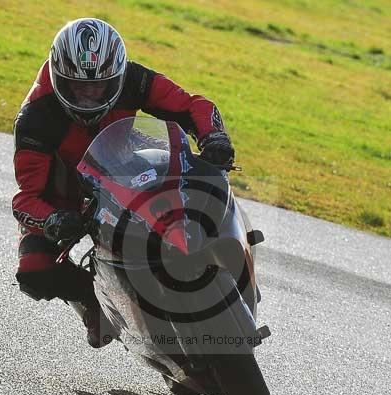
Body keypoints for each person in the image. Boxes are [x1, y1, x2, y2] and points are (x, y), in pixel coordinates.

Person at [12, 18, 235, 348]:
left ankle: (221, 257)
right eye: (78, 86)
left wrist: (213, 136)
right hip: (63, 197)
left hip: (123, 162)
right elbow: (26, 197)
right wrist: (53, 218)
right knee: (34, 272)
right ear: (60, 78)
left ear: (116, 76)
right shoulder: (36, 118)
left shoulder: (135, 79)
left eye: (98, 86)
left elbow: (191, 105)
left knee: (194, 183)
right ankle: (95, 302)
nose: (89, 95)